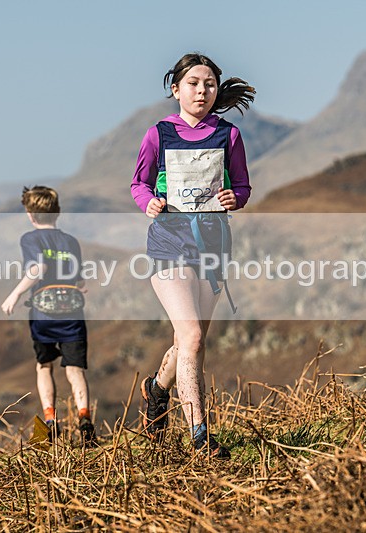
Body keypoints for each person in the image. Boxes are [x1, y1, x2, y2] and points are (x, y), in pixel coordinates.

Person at [131, 53, 255, 458]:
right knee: (194, 337)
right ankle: (201, 436)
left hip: (213, 246)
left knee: (187, 342)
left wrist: (233, 198)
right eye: (193, 83)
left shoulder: (228, 135)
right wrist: (148, 203)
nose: (202, 90)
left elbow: (242, 186)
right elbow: (139, 184)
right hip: (169, 244)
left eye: (209, 84)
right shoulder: (159, 134)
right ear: (176, 89)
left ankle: (156, 390)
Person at [1, 186, 96, 446]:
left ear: (30, 215)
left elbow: (38, 268)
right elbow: (79, 280)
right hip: (72, 313)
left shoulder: (29, 239)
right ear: (58, 212)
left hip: (44, 313)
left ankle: (50, 423)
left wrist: (15, 295)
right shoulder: (71, 242)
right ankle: (84, 417)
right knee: (75, 369)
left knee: (44, 366)